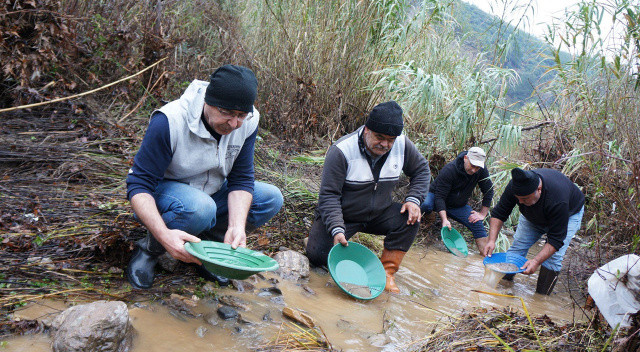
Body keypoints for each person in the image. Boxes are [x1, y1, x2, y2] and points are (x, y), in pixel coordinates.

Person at [125, 64, 283, 289]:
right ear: (207, 102)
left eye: (240, 115)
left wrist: (237, 226)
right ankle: (150, 249)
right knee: (201, 207)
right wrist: (163, 235)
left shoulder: (247, 122)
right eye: (226, 113)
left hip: (211, 190)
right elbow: (139, 186)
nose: (234, 124)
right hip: (168, 193)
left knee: (270, 197)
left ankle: (207, 250)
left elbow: (241, 179)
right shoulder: (170, 121)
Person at [305, 101, 430, 293]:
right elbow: (329, 196)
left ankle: (386, 273)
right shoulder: (341, 151)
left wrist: (414, 199)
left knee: (410, 218)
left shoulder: (402, 145)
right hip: (345, 215)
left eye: (390, 140)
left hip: (380, 213)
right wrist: (337, 229)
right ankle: (332, 239)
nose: (385, 144)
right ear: (366, 130)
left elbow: (422, 170)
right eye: (379, 137)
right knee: (317, 255)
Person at [482, 167, 585, 295]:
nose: (519, 202)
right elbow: (499, 213)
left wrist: (536, 261)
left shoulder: (558, 199)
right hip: (532, 216)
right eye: (517, 198)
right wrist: (491, 240)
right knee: (518, 248)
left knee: (553, 259)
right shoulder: (515, 186)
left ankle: (541, 299)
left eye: (524, 199)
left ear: (539, 189)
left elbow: (556, 239)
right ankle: (503, 290)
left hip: (569, 215)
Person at [420, 147, 493, 252]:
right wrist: (444, 220)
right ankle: (428, 218)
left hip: (458, 205)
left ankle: (486, 258)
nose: (474, 170)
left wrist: (482, 214)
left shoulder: (481, 170)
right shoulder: (450, 170)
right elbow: (440, 197)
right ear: (465, 158)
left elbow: (489, 190)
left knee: (477, 224)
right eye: (472, 165)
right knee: (425, 205)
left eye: (477, 168)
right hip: (436, 198)